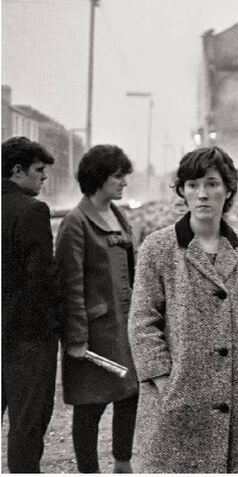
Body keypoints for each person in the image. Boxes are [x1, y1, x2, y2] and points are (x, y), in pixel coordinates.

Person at [128, 146, 238, 473]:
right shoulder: (159, 247)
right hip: (176, 400)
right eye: (192, 185)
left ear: (228, 188)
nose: (202, 194)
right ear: (182, 190)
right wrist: (164, 379)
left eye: (212, 184)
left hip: (230, 398)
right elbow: (143, 321)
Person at [56, 145, 139, 473]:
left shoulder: (119, 216)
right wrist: (76, 338)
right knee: (89, 407)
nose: (124, 183)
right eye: (118, 176)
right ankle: (88, 471)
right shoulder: (75, 223)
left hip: (124, 326)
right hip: (93, 335)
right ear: (98, 178)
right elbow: (69, 285)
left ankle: (122, 463)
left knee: (129, 395)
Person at [1, 136, 58, 473]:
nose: (43, 177)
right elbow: (41, 281)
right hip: (26, 339)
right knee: (26, 426)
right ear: (17, 170)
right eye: (39, 170)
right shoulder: (32, 211)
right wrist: (55, 329)